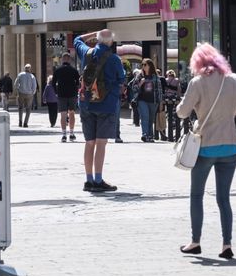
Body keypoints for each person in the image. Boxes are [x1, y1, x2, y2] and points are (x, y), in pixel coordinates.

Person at [176, 43, 236, 259]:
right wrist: (230, 112)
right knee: (224, 198)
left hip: (205, 148)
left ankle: (195, 241)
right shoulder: (234, 79)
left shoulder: (197, 82)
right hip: (230, 147)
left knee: (196, 195)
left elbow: (182, 112)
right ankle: (226, 244)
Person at [74, 30, 125, 192]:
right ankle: (98, 179)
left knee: (89, 143)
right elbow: (121, 79)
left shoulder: (86, 53)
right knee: (101, 143)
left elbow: (77, 40)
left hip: (86, 103)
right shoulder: (114, 59)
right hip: (106, 105)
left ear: (97, 40)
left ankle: (88, 180)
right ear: (110, 42)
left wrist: (93, 34)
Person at [51, 53, 80, 142]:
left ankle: (64, 135)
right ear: (69, 60)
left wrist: (56, 92)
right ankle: (71, 133)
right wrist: (75, 90)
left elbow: (53, 83)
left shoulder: (58, 70)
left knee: (63, 114)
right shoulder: (74, 70)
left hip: (61, 95)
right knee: (72, 114)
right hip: (72, 94)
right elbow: (78, 83)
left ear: (62, 60)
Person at [133, 58, 162, 142]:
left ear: (150, 66)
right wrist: (140, 83)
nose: (143, 66)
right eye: (142, 65)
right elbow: (133, 88)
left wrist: (160, 103)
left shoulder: (155, 77)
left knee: (151, 118)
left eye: (145, 65)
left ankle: (150, 135)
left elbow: (159, 90)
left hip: (153, 101)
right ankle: (145, 134)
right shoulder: (140, 76)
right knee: (145, 116)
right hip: (142, 99)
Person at [163, 69, 182, 142]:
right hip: (175, 99)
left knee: (169, 117)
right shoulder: (177, 80)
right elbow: (179, 89)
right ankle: (177, 137)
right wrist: (179, 97)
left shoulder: (166, 80)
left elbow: (164, 89)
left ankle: (170, 136)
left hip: (167, 99)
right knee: (176, 116)